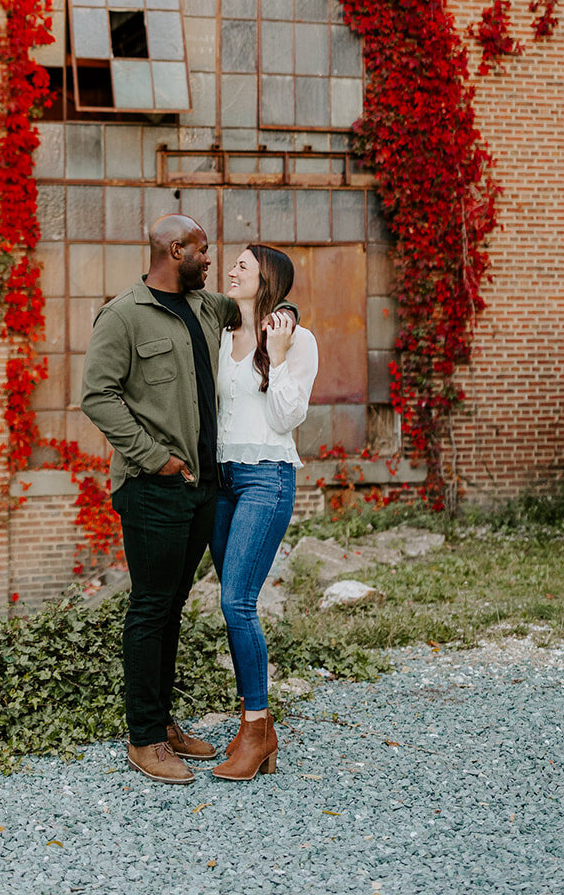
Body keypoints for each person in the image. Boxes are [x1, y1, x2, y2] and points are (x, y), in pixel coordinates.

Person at [79, 214, 241, 785]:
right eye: (203, 251)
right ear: (176, 250)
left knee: (171, 606)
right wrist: (158, 458)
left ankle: (163, 723)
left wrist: (285, 312)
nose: (210, 261)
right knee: (150, 608)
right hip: (153, 487)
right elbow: (97, 396)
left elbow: (253, 303)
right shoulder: (123, 315)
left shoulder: (205, 307)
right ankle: (144, 738)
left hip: (202, 489)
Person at [209, 243, 318, 782]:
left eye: (243, 266)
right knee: (232, 605)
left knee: (237, 601)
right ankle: (251, 720)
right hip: (221, 482)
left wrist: (276, 355)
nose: (231, 270)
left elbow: (285, 418)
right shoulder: (222, 334)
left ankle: (258, 729)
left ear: (267, 279)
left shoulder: (299, 342)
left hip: (266, 478)